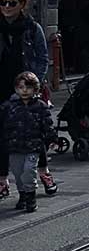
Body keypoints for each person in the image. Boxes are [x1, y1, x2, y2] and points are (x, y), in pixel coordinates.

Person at [0, 0, 56, 197]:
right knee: (2, 135)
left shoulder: (32, 28)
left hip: (26, 87)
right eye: (3, 2)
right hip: (2, 86)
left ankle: (43, 172)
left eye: (11, 3)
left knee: (34, 133)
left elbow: (42, 57)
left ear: (22, 5)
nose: (6, 7)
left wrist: (35, 84)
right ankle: (2, 180)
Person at [0, 72, 56, 212]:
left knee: (29, 171)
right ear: (16, 89)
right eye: (20, 87)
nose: (24, 90)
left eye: (28, 87)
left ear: (35, 89)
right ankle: (23, 195)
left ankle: (31, 197)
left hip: (33, 147)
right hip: (14, 147)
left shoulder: (40, 106)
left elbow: (47, 125)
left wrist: (52, 139)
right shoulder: (8, 106)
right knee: (18, 174)